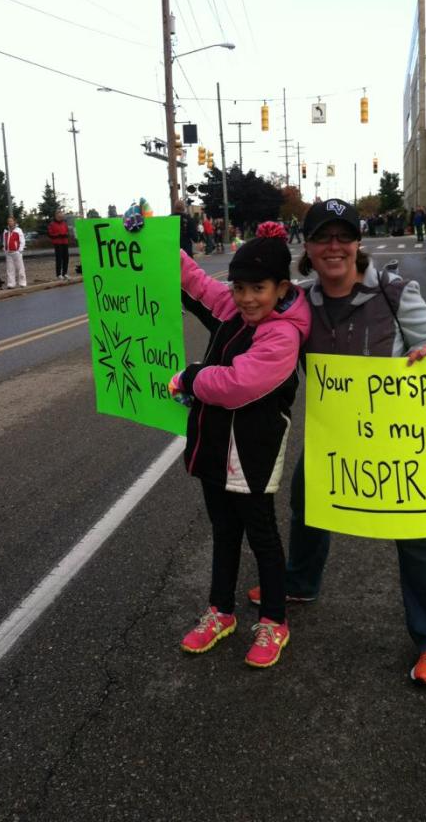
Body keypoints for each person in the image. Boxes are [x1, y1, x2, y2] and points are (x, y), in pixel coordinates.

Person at [247, 199, 426, 687]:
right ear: (309, 247)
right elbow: (241, 304)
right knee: (307, 501)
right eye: (323, 237)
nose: (334, 246)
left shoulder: (395, 293)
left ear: (358, 242)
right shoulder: (298, 303)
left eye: (344, 236)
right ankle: (301, 582)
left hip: (399, 443)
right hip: (334, 437)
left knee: (421, 537)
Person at [174, 222, 311, 668]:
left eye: (258, 288)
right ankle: (221, 611)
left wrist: (191, 378)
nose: (247, 298)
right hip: (213, 443)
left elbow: (237, 384)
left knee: (262, 536)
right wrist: (155, 247)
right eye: (239, 287)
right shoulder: (234, 309)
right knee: (223, 530)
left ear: (281, 288)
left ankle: (274, 619)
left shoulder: (283, 333)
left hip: (252, 451)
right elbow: (196, 283)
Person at [2, 216, 26, 288]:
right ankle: (11, 284)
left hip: (16, 252)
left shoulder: (18, 230)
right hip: (8, 253)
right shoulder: (6, 231)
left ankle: (22, 283)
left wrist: (20, 250)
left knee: (20, 268)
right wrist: (5, 249)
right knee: (10, 269)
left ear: (14, 222)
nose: (10, 222)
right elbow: (4, 241)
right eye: (8, 221)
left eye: (11, 221)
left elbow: (22, 241)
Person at [47, 210, 70, 280]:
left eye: (61, 215)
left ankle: (65, 273)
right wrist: (58, 235)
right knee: (59, 259)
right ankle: (58, 274)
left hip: (65, 242)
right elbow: (50, 234)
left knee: (66, 258)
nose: (61, 217)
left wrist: (66, 234)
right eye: (59, 215)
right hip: (57, 243)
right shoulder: (52, 224)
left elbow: (67, 231)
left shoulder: (64, 223)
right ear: (56, 216)